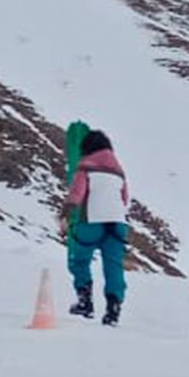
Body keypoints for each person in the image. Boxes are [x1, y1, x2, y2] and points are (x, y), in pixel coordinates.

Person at [62, 129, 132, 326]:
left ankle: (85, 301)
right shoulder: (119, 171)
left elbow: (77, 194)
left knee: (80, 260)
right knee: (113, 266)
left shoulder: (86, 166)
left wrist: (65, 215)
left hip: (92, 221)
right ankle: (113, 308)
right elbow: (124, 199)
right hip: (118, 223)